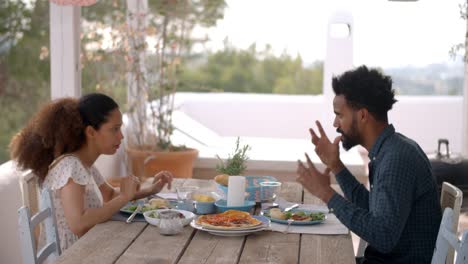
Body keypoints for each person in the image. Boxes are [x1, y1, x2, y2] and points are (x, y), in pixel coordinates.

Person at [296, 66, 441, 263]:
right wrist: (336, 166)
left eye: (340, 115)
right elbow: (374, 212)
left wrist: (326, 194)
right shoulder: (391, 150)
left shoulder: (396, 160)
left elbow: (383, 236)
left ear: (363, 116)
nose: (335, 124)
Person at [10, 93, 173, 252]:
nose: (121, 136)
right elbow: (78, 224)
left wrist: (150, 190)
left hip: (88, 246)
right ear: (91, 132)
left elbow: (109, 195)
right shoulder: (70, 167)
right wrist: (125, 197)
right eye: (114, 129)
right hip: (72, 255)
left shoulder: (83, 164)